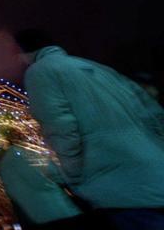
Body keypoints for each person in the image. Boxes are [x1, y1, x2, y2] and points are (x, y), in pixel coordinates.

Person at [16, 29, 164, 230]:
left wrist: (73, 175)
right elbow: (154, 115)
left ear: (23, 53)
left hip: (118, 187)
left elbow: (61, 129)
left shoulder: (40, 72)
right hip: (155, 175)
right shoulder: (99, 68)